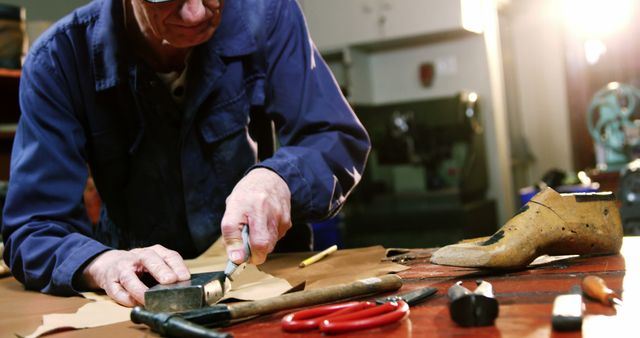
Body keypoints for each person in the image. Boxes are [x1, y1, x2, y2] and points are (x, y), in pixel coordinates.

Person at [1, 0, 370, 307]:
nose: (195, 13)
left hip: (268, 284)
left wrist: (279, 179)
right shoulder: (60, 61)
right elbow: (33, 227)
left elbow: (333, 136)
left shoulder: (268, 14)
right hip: (143, 299)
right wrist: (100, 263)